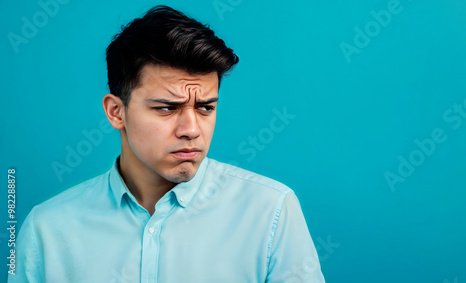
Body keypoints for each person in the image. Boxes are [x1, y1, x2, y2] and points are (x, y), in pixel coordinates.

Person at [10, 5, 324, 282]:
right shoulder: (47, 231)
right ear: (116, 112)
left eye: (205, 107)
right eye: (167, 108)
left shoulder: (270, 213)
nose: (191, 130)